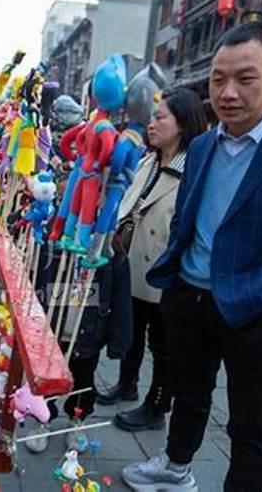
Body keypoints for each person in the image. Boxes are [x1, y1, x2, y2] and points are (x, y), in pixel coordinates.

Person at [122, 21, 262, 491]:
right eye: (218, 79)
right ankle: (175, 466)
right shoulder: (202, 145)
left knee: (252, 423)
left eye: (245, 78)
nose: (227, 92)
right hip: (190, 298)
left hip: (255, 310)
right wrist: (177, 280)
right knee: (189, 394)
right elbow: (188, 215)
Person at [97, 88, 207, 434]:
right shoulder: (149, 160)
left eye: (161, 117)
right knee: (131, 331)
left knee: (164, 345)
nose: (152, 123)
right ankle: (126, 384)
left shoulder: (194, 170)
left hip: (165, 272)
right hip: (132, 264)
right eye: (153, 116)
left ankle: (157, 405)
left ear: (183, 124)